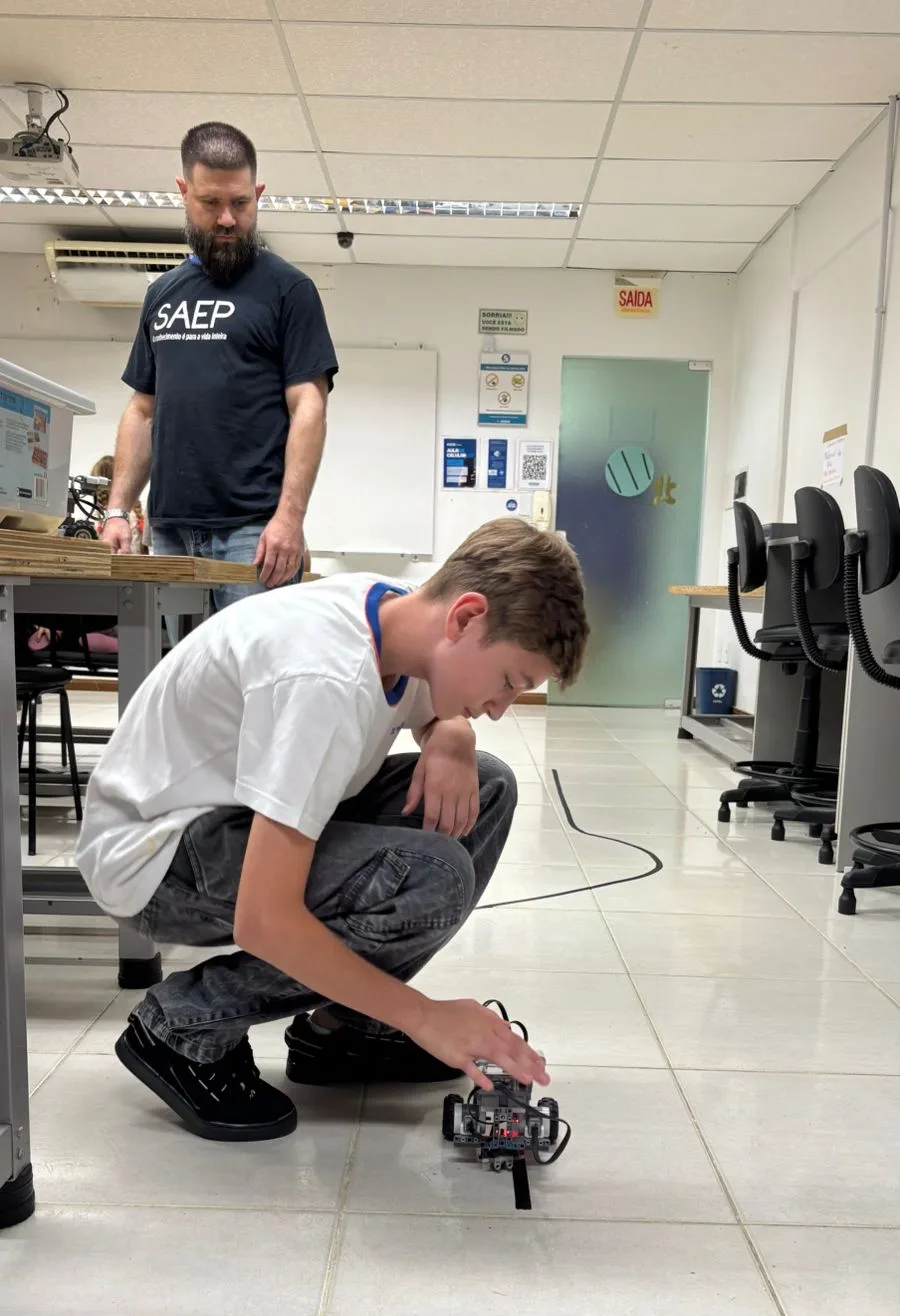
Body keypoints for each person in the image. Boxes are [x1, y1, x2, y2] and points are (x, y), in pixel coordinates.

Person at [75, 519, 589, 1143]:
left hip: (221, 824)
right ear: (466, 617)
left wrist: (452, 731)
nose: (502, 708)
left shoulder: (397, 612)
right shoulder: (325, 679)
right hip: (155, 859)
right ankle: (183, 1025)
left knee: (488, 786)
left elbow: (431, 700)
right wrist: (423, 1017)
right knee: (432, 877)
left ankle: (343, 1031)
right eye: (508, 681)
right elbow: (264, 919)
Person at [100, 120, 337, 612]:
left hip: (254, 532)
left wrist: (290, 518)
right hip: (169, 529)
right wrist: (117, 510)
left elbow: (309, 406)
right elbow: (143, 410)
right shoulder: (162, 295)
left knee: (252, 663)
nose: (228, 219)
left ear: (258, 195)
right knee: (184, 663)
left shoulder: (289, 291)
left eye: (241, 203)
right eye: (211, 203)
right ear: (184, 193)